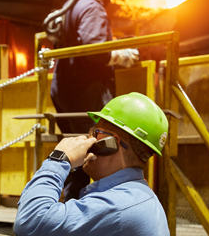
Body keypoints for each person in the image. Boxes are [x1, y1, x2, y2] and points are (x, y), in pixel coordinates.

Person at [46, 0, 139, 201]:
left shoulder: (72, 7)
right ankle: (96, 209)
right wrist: (119, 55)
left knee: (78, 155)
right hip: (86, 93)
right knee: (99, 152)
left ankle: (72, 208)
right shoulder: (92, 7)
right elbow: (92, 48)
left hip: (65, 91)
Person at [13, 92, 169, 236]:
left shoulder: (117, 206)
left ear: (110, 143)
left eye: (94, 133)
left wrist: (58, 159)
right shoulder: (138, 195)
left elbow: (30, 221)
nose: (87, 139)